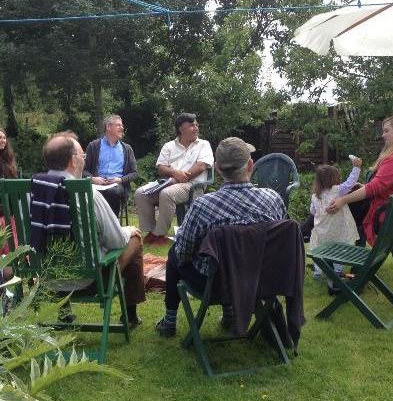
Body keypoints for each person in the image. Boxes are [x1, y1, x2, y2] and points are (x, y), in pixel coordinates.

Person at [155, 137, 287, 337]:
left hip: (216, 284)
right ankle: (229, 315)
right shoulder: (273, 199)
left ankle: (170, 321)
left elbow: (184, 251)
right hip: (260, 279)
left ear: (217, 168)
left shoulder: (203, 206)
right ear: (250, 165)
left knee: (175, 253)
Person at [31, 132, 145, 327]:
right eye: (83, 155)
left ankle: (63, 312)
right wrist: (129, 230)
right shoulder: (87, 193)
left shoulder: (32, 191)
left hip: (46, 278)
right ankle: (130, 315)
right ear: (73, 161)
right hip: (87, 281)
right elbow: (116, 241)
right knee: (134, 238)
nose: (84, 159)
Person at [326, 114, 393, 246]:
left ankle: (325, 251)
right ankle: (310, 234)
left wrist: (342, 200)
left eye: (386, 131)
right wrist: (364, 187)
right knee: (341, 203)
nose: (383, 135)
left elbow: (374, 188)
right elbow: (383, 185)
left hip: (387, 214)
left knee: (337, 207)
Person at [135, 113, 214, 245]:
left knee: (167, 194)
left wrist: (182, 177)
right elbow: (161, 168)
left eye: (196, 125)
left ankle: (160, 234)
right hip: (168, 183)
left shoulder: (203, 144)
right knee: (140, 193)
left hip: (193, 186)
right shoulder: (169, 146)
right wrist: (174, 173)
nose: (196, 128)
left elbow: (201, 166)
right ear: (181, 129)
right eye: (191, 125)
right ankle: (150, 231)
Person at [309, 157, 362, 284]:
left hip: (322, 232)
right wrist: (356, 167)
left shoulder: (315, 196)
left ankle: (318, 272)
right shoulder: (338, 191)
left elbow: (312, 211)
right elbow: (350, 182)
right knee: (339, 252)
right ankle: (337, 272)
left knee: (320, 252)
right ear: (333, 179)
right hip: (338, 231)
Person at [83, 114, 138, 217]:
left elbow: (134, 173)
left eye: (121, 125)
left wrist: (120, 180)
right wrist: (93, 179)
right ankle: (97, 226)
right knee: (90, 192)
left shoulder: (127, 149)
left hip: (117, 185)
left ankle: (112, 226)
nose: (122, 128)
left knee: (113, 191)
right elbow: (83, 171)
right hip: (96, 184)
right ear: (108, 127)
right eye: (118, 125)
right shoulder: (93, 146)